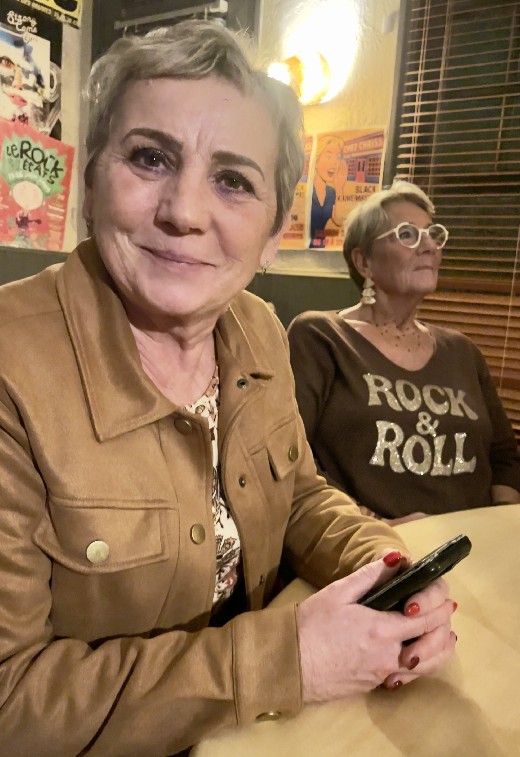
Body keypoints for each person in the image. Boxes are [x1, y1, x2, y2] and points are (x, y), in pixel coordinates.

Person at [0, 25, 456, 756]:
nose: (184, 212)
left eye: (234, 180)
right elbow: (10, 701)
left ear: (273, 233)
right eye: (150, 158)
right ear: (90, 183)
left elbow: (298, 496)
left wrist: (387, 569)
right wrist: (287, 660)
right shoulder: (9, 368)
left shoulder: (258, 327)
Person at [288, 181, 520, 524]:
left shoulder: (462, 350)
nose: (429, 247)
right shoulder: (321, 336)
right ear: (364, 262)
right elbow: (293, 459)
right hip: (369, 544)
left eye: (433, 234)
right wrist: (375, 526)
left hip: (474, 543)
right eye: (408, 234)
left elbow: (504, 457)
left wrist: (499, 524)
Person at [309, 134, 346, 247]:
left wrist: (339, 188)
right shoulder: (307, 191)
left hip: (322, 248)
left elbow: (339, 221)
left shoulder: (331, 192)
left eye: (337, 158)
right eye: (328, 157)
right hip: (300, 250)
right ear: (315, 162)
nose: (335, 163)